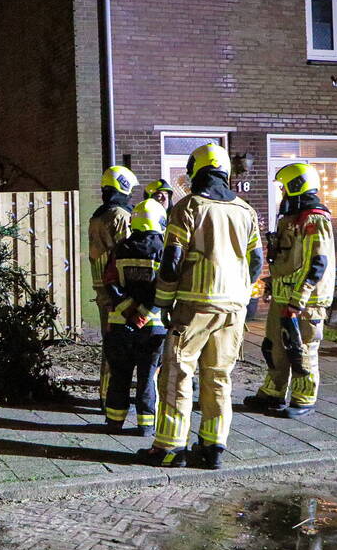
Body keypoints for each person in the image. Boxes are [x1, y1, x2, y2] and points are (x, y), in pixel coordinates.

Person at [137, 143, 263, 469]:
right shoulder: (246, 211)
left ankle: (169, 447)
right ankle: (213, 447)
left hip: (195, 305)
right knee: (219, 377)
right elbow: (256, 261)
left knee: (177, 374)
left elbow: (171, 262)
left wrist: (162, 302)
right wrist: (242, 295)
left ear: (196, 171)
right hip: (233, 309)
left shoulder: (188, 207)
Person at [244, 163, 335, 419]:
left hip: (306, 302)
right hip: (285, 298)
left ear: (296, 186)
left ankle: (303, 398)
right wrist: (274, 282)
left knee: (302, 349)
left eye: (285, 187)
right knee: (273, 347)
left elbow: (316, 262)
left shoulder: (315, 219)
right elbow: (290, 261)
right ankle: (272, 393)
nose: (282, 192)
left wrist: (299, 298)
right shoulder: (291, 219)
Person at [102, 198, 169, 437]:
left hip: (120, 325)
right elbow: (164, 289)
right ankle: (146, 425)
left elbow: (109, 282)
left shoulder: (120, 248)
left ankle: (114, 421)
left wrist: (129, 310)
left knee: (119, 375)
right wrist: (142, 315)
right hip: (153, 326)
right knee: (147, 377)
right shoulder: (164, 249)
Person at [89, 166, 138, 409]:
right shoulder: (120, 215)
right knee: (118, 346)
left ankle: (105, 393)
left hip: (102, 290)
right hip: (118, 291)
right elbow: (128, 252)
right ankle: (111, 398)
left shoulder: (98, 215)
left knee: (109, 343)